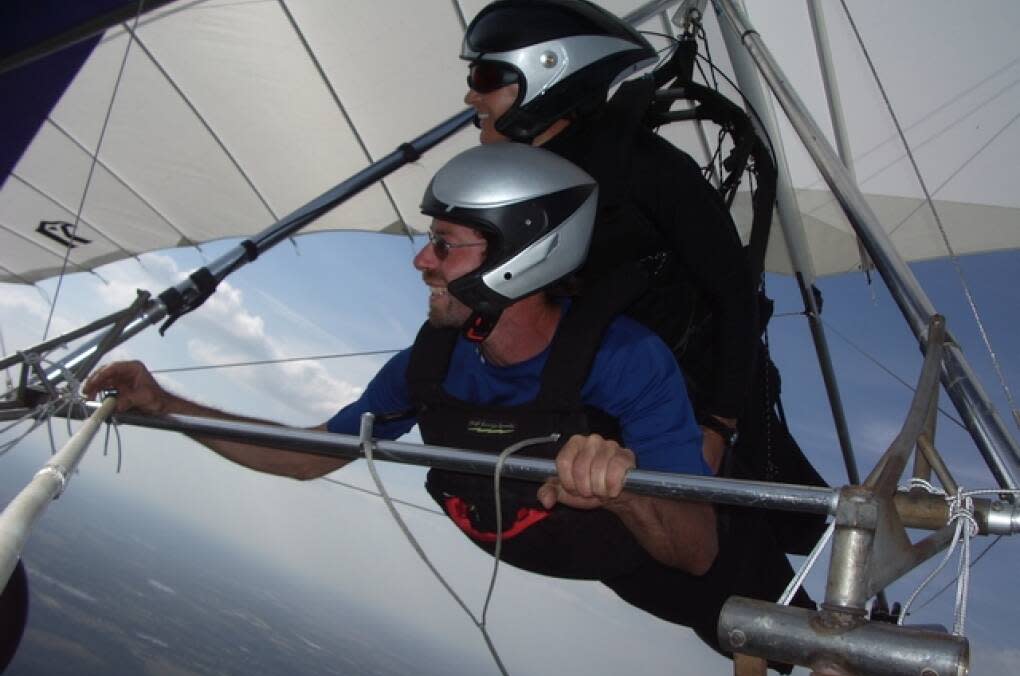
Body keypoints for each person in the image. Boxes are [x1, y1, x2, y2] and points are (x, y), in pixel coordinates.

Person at [84, 143, 733, 636]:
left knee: (750, 622)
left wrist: (618, 491)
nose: (421, 261)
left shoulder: (625, 362)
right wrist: (165, 404)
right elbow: (311, 457)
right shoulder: (425, 368)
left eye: (443, 245)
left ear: (520, 255)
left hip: (636, 565)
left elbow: (698, 552)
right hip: (545, 545)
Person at [460, 0, 829, 554]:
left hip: (695, 388)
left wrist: (716, 425)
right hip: (605, 391)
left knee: (746, 531)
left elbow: (735, 297)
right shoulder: (522, 180)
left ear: (549, 71)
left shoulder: (644, 168)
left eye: (486, 77)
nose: (471, 95)